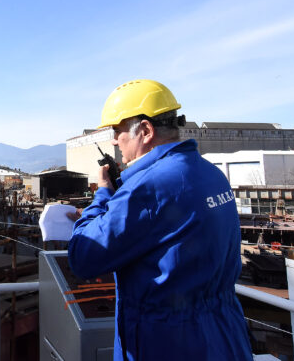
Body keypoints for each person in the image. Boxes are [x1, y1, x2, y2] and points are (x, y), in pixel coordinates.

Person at [67, 80, 252, 361]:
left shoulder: (147, 187)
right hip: (226, 336)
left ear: (145, 130)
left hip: (168, 344)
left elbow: (83, 256)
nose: (115, 140)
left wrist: (103, 196)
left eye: (117, 131)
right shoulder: (210, 174)